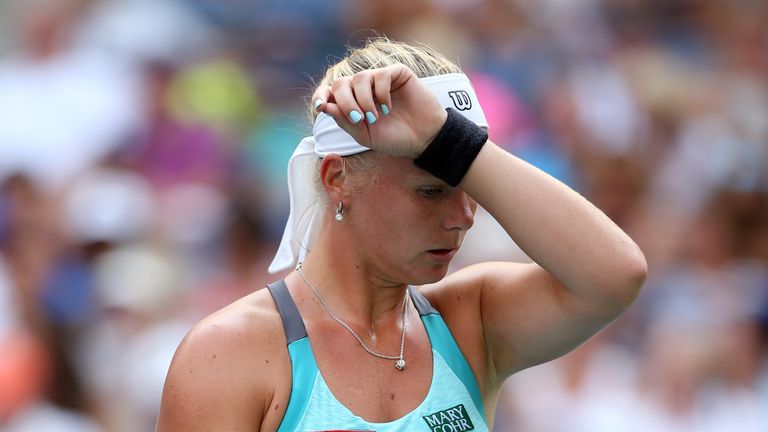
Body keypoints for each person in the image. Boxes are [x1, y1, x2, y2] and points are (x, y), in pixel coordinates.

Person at [156, 37, 647, 431]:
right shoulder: (231, 352)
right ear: (337, 179)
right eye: (431, 192)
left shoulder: (469, 321)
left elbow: (616, 275)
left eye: (472, 188)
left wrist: (454, 142)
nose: (464, 217)